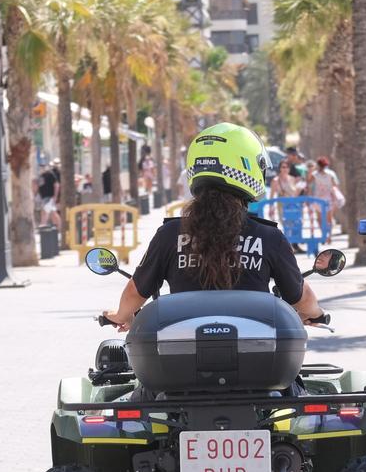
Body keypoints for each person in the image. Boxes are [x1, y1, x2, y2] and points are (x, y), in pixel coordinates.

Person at [103, 122, 324, 331]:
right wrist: (315, 312)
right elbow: (300, 298)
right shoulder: (268, 236)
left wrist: (122, 315)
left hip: (181, 360)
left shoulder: (169, 235)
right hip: (258, 360)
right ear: (248, 167)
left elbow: (136, 292)